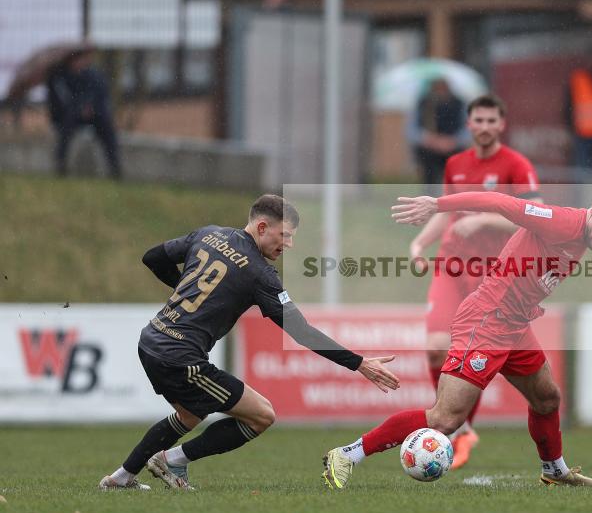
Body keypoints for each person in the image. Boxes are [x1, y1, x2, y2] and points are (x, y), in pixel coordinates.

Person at [321, 185, 592, 490]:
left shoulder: (584, 235)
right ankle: (347, 455)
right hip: (487, 320)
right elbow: (501, 203)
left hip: (516, 326)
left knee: (548, 399)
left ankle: (554, 469)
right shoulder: (563, 221)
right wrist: (438, 205)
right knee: (445, 418)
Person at [99, 195, 399, 491]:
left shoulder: (209, 234)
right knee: (261, 415)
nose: (288, 245)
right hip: (180, 357)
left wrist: (185, 290)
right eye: (285, 236)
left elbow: (152, 257)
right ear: (262, 227)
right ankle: (172, 460)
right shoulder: (259, 273)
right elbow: (301, 331)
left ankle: (119, 478)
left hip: (151, 339)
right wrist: (359, 363)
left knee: (190, 415)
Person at [407, 93, 541, 469]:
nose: (483, 127)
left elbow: (536, 216)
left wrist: (484, 219)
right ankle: (459, 426)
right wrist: (419, 243)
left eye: (490, 121)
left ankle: (456, 424)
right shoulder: (455, 164)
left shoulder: (517, 165)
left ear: (501, 124)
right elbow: (446, 212)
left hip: (493, 275)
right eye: (477, 121)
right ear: (469, 125)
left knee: (474, 356)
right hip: (451, 265)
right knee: (435, 347)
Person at [46, 49, 121, 179]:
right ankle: (61, 164)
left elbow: (101, 96)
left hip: (93, 115)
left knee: (107, 127)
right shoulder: (59, 77)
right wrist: (79, 108)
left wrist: (91, 108)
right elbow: (61, 102)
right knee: (66, 129)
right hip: (68, 117)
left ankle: (114, 167)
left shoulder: (93, 76)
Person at [407, 78, 469, 193]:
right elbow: (412, 131)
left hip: (453, 149)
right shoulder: (423, 104)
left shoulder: (459, 104)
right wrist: (429, 139)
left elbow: (467, 130)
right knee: (429, 179)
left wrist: (452, 141)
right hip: (428, 151)